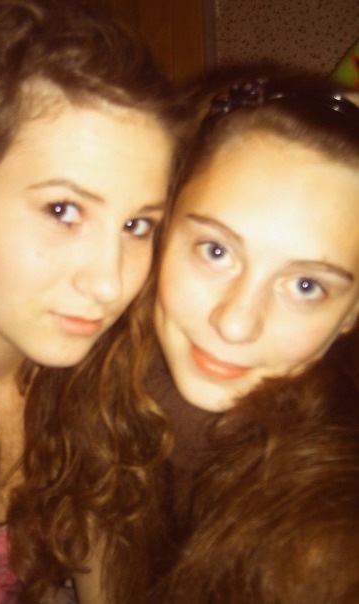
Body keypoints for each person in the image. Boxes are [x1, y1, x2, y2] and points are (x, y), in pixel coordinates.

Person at [0, 0, 187, 602]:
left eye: (137, 225)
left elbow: (101, 553)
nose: (110, 284)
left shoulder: (101, 376)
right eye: (63, 210)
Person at [146, 75, 359, 602]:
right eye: (216, 251)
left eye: (306, 285)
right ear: (161, 228)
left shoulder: (329, 501)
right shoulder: (91, 372)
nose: (235, 324)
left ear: (351, 314)